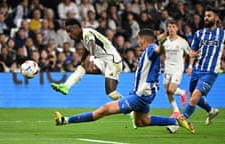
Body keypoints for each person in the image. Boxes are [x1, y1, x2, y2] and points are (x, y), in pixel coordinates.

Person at [54, 28, 195, 134]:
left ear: (143, 40)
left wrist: (164, 39)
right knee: (142, 121)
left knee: (103, 110)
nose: (137, 42)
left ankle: (64, 120)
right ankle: (176, 120)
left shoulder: (151, 49)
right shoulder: (148, 51)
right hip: (143, 94)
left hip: (141, 95)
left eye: (138, 39)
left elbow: (158, 50)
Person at [50, 18, 136, 128]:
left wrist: (91, 58)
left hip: (112, 61)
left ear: (77, 28)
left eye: (70, 32)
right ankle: (65, 86)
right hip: (102, 60)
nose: (69, 36)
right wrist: (84, 58)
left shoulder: (87, 33)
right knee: (82, 67)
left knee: (111, 92)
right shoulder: (82, 37)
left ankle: (132, 111)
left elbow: (91, 43)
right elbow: (87, 47)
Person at [175, 6, 223, 133]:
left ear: (216, 18)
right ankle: (211, 110)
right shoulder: (199, 33)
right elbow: (193, 51)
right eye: (205, 16)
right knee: (193, 97)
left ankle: (182, 119)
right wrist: (190, 65)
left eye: (209, 16)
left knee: (195, 96)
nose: (206, 18)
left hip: (210, 71)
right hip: (197, 70)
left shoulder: (222, 34)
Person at [159, 20, 190, 133]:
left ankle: (182, 93)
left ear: (177, 28)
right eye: (169, 27)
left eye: (173, 26)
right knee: (167, 91)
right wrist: (159, 41)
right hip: (167, 68)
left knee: (172, 89)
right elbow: (161, 52)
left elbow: (190, 54)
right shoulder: (165, 41)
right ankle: (176, 110)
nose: (171, 29)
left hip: (178, 69)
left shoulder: (182, 42)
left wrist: (189, 66)